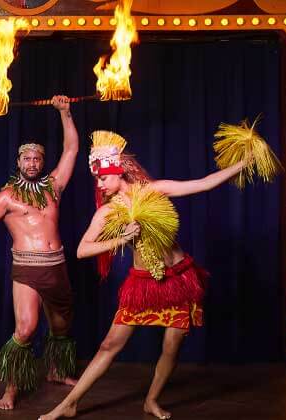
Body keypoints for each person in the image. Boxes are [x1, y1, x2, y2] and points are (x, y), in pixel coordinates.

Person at [40, 130, 249, 420]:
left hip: (179, 279)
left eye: (102, 178)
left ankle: (151, 400)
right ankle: (69, 403)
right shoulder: (108, 212)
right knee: (109, 345)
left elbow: (202, 184)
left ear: (118, 172)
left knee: (172, 344)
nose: (99, 185)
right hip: (142, 284)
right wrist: (120, 239)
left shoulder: (154, 190)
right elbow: (81, 250)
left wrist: (243, 163)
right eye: (97, 180)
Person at [0, 95, 79, 410]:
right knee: (25, 329)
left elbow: (71, 149)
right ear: (18, 163)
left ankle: (57, 371)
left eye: (37, 159)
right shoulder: (5, 198)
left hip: (56, 266)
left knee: (60, 327)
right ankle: (11, 388)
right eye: (26, 159)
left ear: (42, 163)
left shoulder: (54, 187)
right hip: (27, 269)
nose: (32, 163)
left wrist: (65, 112)